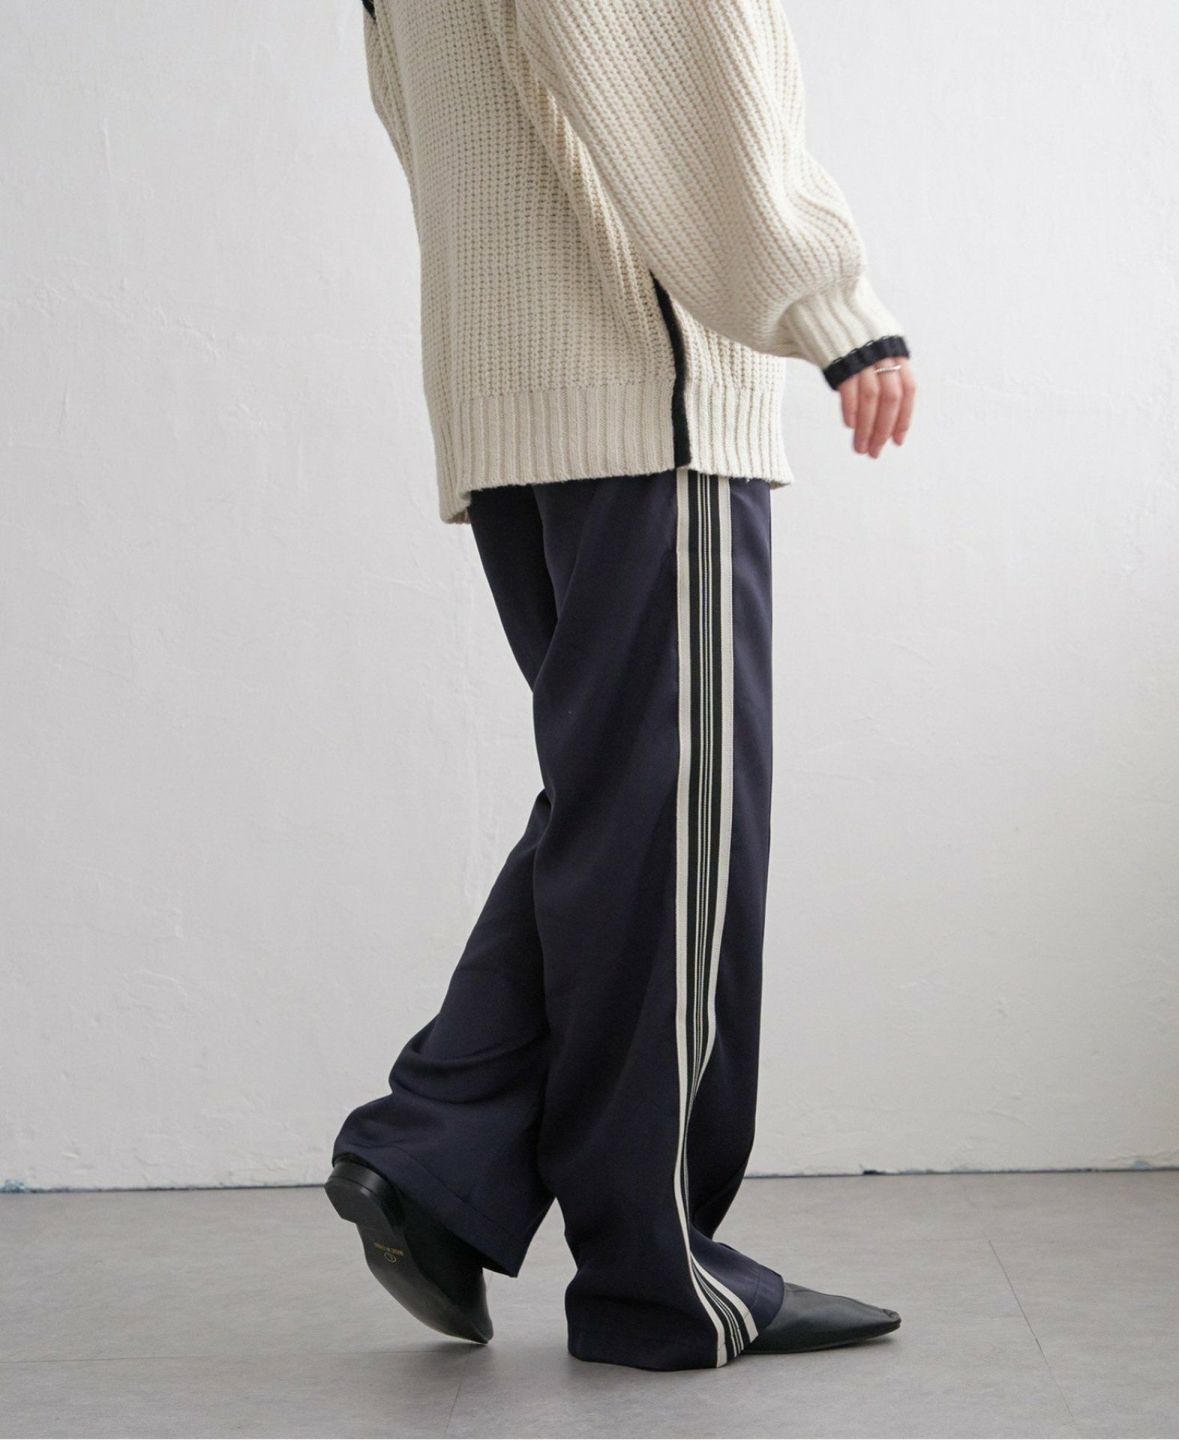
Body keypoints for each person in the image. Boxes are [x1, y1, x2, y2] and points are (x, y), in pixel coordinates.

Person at [327, 0, 916, 1372]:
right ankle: (659, 1275)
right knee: (675, 838)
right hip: (640, 393)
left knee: (625, 816)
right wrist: (830, 300)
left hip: (519, 389)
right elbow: (681, 67)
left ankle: (439, 1159)